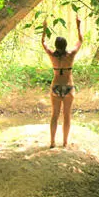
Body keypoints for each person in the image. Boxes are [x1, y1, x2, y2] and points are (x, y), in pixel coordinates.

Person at [41, 14, 83, 148]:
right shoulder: (70, 55)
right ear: (65, 45)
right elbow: (80, 41)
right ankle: (64, 142)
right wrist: (78, 26)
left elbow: (43, 43)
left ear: (56, 45)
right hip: (68, 87)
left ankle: (52, 142)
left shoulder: (52, 55)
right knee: (66, 116)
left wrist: (44, 29)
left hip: (55, 87)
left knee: (54, 115)